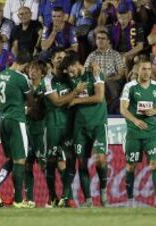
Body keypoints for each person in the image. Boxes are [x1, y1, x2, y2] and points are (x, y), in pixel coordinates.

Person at [59, 53, 109, 207]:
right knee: (81, 163)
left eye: (71, 70)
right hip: (80, 126)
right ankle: (88, 200)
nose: (71, 74)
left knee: (100, 159)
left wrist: (76, 100)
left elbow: (99, 97)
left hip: (98, 124)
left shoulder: (95, 73)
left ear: (76, 64)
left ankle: (103, 191)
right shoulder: (71, 80)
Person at [39, 48, 86, 208]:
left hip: (69, 125)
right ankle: (52, 196)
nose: (60, 60)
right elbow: (57, 102)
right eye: (57, 58)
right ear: (52, 60)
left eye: (63, 58)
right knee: (50, 163)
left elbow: (83, 79)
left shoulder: (69, 77)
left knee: (70, 161)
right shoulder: (47, 80)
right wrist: (75, 93)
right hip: (52, 126)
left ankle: (66, 197)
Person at [0, 51, 34, 208]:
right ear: (25, 65)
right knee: (20, 160)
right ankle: (19, 201)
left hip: (3, 120)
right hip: (16, 120)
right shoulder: (22, 78)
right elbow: (31, 101)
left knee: (13, 159)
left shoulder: (2, 74)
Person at [120, 57, 156, 208]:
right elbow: (123, 109)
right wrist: (135, 121)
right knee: (131, 166)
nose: (147, 72)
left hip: (151, 133)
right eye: (143, 69)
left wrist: (154, 110)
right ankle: (130, 200)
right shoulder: (130, 87)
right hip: (134, 132)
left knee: (155, 163)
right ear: (137, 70)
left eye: (149, 69)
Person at [24, 60, 48, 208]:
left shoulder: (45, 87)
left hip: (40, 130)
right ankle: (30, 199)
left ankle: (53, 197)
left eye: (35, 69)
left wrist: (28, 109)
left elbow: (41, 110)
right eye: (30, 69)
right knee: (27, 164)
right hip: (27, 130)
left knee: (43, 164)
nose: (32, 71)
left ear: (41, 72)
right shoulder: (25, 87)